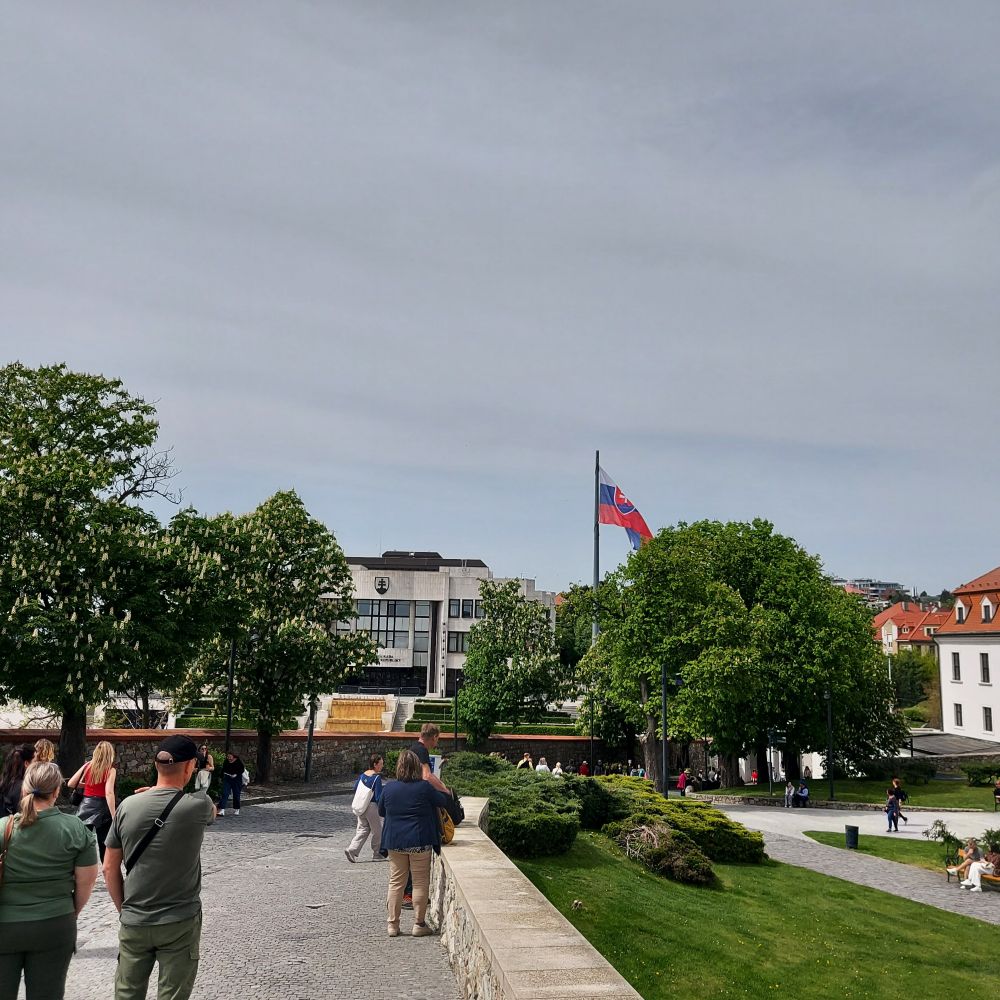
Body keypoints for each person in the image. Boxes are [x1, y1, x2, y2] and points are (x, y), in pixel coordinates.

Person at [103, 734, 216, 1000]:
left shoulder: (126, 806)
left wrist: (125, 909)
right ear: (190, 766)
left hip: (135, 919)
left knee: (127, 994)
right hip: (179, 920)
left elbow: (109, 867)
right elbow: (212, 811)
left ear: (156, 765)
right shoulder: (198, 805)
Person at [0, 762, 99, 1000]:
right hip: (55, 923)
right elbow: (86, 882)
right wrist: (69, 911)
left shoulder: (4, 827)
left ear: (24, 789)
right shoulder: (75, 828)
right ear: (56, 791)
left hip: (5, 924)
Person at [378, 750, 454, 938]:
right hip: (419, 841)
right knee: (420, 881)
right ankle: (419, 924)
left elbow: (381, 811)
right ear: (417, 768)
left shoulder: (389, 788)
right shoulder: (424, 788)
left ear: (399, 767)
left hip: (395, 841)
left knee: (396, 882)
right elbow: (442, 800)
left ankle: (392, 925)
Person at [67, 740, 117, 861]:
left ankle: (79, 865)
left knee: (81, 842)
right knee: (103, 843)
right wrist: (114, 815)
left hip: (85, 806)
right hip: (103, 807)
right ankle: (106, 868)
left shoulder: (87, 765)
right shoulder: (110, 770)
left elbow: (71, 783)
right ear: (110, 754)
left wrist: (89, 785)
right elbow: (109, 793)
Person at [345, 753, 386, 863]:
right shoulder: (376, 778)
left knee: (363, 829)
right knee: (378, 831)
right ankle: (377, 854)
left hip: (361, 806)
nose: (382, 766)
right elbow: (378, 797)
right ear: (375, 764)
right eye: (381, 763)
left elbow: (355, 788)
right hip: (372, 807)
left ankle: (352, 849)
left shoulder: (362, 775)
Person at [0, 744, 36, 817]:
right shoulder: (24, 788)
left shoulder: (4, 781)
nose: (37, 764)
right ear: (26, 763)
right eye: (35, 761)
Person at [218, 751, 245, 816]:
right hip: (227, 778)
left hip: (236, 780)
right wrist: (221, 777)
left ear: (234, 757)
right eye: (228, 757)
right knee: (225, 793)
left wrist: (236, 774)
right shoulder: (226, 761)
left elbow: (242, 770)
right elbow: (223, 769)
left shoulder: (238, 761)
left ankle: (237, 809)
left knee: (236, 794)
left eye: (230, 757)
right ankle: (222, 810)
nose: (229, 758)